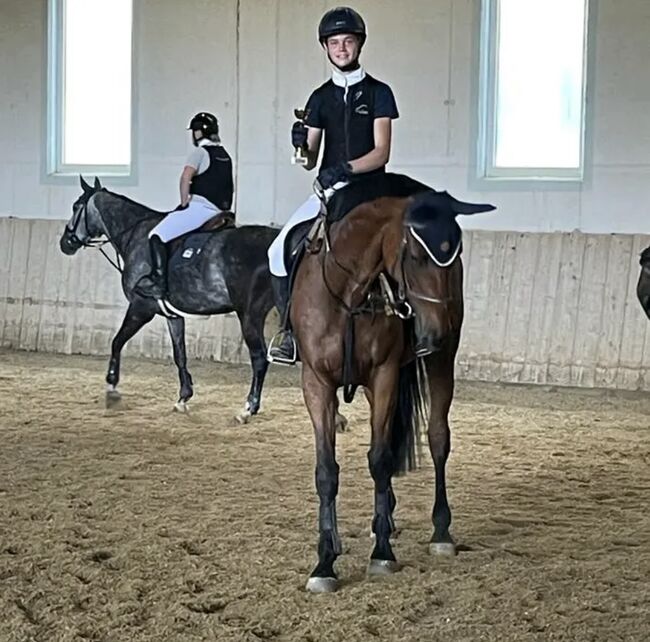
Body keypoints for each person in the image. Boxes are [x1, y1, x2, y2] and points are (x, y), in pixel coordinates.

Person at [267, 6, 399, 364]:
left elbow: (382, 151)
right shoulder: (320, 97)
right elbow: (309, 157)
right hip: (330, 192)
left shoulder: (379, 93)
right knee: (277, 250)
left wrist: (346, 168)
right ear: (326, 47)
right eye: (335, 42)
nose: (342, 48)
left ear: (359, 45)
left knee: (404, 252)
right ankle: (289, 333)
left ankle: (414, 328)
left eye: (348, 41)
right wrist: (299, 144)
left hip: (371, 190)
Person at [135, 112, 234, 300]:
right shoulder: (224, 154)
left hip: (201, 209)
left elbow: (185, 178)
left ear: (198, 133)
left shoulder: (200, 152)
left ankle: (158, 282)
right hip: (222, 211)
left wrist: (183, 202)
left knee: (156, 235)